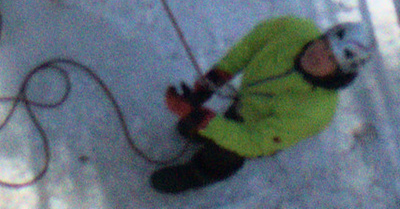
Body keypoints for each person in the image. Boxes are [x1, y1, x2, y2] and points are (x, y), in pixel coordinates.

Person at [151, 21, 361, 189]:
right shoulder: (293, 29)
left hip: (259, 132)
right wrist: (210, 84)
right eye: (325, 44)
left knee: (227, 151)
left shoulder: (315, 112)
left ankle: (202, 172)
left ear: (338, 72)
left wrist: (199, 118)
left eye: (332, 59)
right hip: (246, 103)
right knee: (220, 122)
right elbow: (248, 48)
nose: (319, 55)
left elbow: (253, 141)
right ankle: (214, 129)